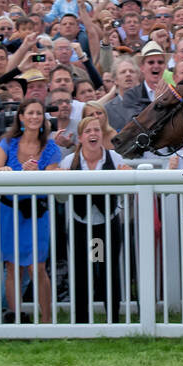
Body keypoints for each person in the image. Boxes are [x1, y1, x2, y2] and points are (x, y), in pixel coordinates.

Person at [0, 99, 63, 322]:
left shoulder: (51, 148)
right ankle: (17, 318)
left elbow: (52, 177)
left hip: (36, 214)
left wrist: (33, 173)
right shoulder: (8, 143)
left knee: (37, 267)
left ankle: (47, 319)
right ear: (21, 117)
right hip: (9, 212)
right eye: (30, 113)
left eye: (38, 113)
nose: (34, 117)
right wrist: (9, 170)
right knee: (12, 268)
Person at [57, 116, 132, 324]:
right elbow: (61, 198)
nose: (93, 134)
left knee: (108, 272)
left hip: (107, 225)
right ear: (80, 137)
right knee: (83, 273)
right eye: (88, 131)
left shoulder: (115, 159)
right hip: (81, 225)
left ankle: (113, 321)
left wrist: (127, 175)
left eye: (97, 130)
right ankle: (82, 322)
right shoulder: (69, 161)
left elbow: (128, 189)